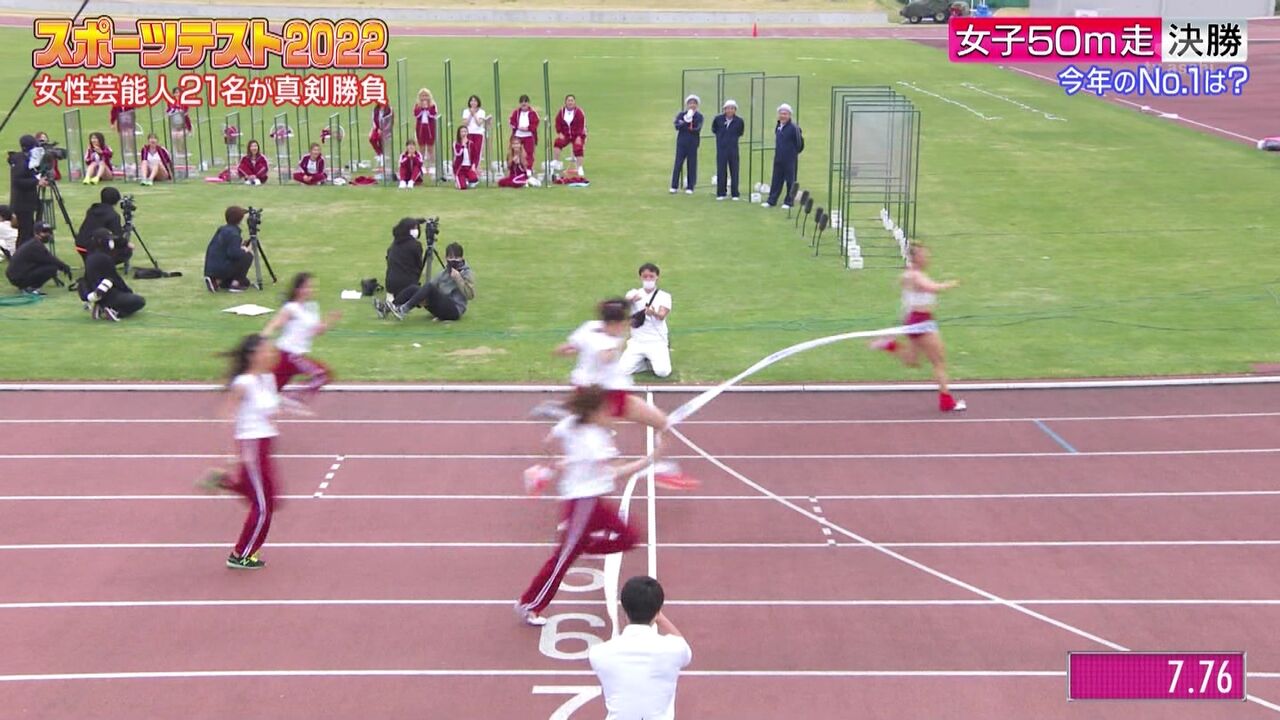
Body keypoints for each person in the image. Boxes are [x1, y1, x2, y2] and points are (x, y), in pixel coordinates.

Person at [517, 386, 649, 626]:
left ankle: (585, 546)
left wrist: (559, 462)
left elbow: (548, 441)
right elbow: (616, 471)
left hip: (594, 502)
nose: (611, 412)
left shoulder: (572, 424)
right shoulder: (594, 439)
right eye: (606, 409)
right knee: (562, 560)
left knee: (630, 537)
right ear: (593, 411)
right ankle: (529, 604)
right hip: (582, 504)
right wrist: (650, 460)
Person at [197, 334, 285, 570]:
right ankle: (241, 554)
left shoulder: (267, 379)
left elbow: (270, 409)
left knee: (269, 499)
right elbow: (226, 415)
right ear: (253, 355)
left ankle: (223, 481)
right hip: (251, 445)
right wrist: (229, 454)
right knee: (263, 506)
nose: (271, 354)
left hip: (265, 443)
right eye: (266, 350)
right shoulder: (244, 383)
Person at [870, 243, 966, 412]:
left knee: (912, 361)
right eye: (924, 255)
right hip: (922, 322)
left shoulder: (910, 274)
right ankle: (946, 402)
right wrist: (951, 284)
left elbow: (911, 294)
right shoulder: (915, 276)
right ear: (916, 258)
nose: (927, 258)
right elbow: (931, 288)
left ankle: (890, 345)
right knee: (939, 362)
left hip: (915, 320)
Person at [589, 576, 693, 720]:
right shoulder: (674, 649)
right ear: (657, 612)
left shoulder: (599, 653)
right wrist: (660, 617)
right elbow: (684, 647)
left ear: (625, 611)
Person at [261, 272, 338, 410]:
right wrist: (262, 338)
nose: (310, 290)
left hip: (292, 357)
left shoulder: (312, 308)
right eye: (307, 287)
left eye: (312, 287)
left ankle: (253, 405)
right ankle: (296, 398)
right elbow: (275, 324)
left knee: (269, 395)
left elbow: (317, 331)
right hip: (289, 354)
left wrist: (330, 320)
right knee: (322, 374)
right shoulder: (291, 308)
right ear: (298, 289)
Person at [376, 241, 475, 322]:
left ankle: (403, 310)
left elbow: (470, 295)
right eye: (450, 257)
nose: (453, 260)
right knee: (414, 288)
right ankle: (387, 308)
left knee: (429, 287)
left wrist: (458, 279)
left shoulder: (466, 272)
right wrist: (422, 298)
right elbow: (430, 287)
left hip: (454, 310)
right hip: (441, 307)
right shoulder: (444, 272)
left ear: (462, 258)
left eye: (456, 258)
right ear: (446, 258)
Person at [620, 263, 673, 379]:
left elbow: (662, 315)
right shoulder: (633, 293)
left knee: (663, 372)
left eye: (651, 276)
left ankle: (653, 361)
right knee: (621, 371)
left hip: (657, 342)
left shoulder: (664, 296)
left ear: (657, 277)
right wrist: (630, 301)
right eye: (645, 276)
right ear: (640, 277)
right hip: (637, 341)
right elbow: (622, 309)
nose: (648, 279)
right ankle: (644, 364)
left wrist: (653, 313)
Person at [82, 228, 145, 320]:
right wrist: (127, 291)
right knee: (139, 301)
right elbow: (115, 279)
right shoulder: (104, 258)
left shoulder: (90, 256)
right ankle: (115, 312)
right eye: (109, 240)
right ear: (101, 241)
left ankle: (100, 307)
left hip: (98, 293)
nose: (111, 242)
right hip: (109, 294)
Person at [5, 222, 70, 294]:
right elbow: (51, 260)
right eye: (44, 232)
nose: (48, 234)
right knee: (52, 268)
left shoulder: (33, 243)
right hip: (18, 277)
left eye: (49, 232)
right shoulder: (36, 246)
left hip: (16, 275)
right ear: (36, 233)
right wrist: (65, 267)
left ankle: (27, 286)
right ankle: (31, 288)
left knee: (50, 266)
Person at [77, 186, 133, 268]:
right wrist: (127, 243)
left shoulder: (92, 210)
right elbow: (117, 237)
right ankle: (102, 265)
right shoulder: (113, 215)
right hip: (93, 249)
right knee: (126, 250)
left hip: (81, 245)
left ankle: (93, 263)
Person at [203, 206, 254, 292]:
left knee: (246, 282)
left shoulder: (223, 230)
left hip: (211, 267)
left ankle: (222, 281)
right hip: (220, 268)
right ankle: (234, 284)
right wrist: (245, 250)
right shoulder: (234, 234)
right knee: (247, 256)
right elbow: (234, 254)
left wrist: (240, 247)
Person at [764, 103, 803, 209]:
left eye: (785, 114)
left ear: (789, 115)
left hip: (790, 159)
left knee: (791, 180)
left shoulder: (794, 128)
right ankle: (772, 200)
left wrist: (792, 154)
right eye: (781, 114)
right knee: (776, 180)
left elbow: (799, 144)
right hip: (778, 158)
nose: (783, 116)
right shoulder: (778, 126)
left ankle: (789, 202)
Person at [9, 135, 46, 246]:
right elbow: (18, 181)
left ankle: (26, 252)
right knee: (25, 233)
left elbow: (30, 173)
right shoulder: (21, 161)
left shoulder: (25, 159)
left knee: (28, 231)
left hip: (26, 201)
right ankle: (21, 253)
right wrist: (36, 182)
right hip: (22, 203)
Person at [380, 217, 425, 304]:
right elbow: (419, 265)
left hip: (390, 283)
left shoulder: (394, 245)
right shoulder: (415, 245)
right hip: (407, 284)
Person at [711, 99, 745, 201]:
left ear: (735, 110)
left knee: (734, 171)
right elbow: (714, 129)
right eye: (728, 108)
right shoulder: (718, 119)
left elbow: (740, 132)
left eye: (732, 108)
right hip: (721, 149)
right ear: (724, 109)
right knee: (721, 170)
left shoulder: (739, 121)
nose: (730, 110)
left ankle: (735, 193)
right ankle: (721, 192)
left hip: (733, 149)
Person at [670, 95, 702, 195]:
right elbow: (677, 126)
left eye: (694, 103)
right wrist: (684, 121)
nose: (692, 105)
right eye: (690, 103)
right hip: (682, 143)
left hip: (693, 143)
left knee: (692, 164)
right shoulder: (681, 115)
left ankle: (690, 186)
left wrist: (688, 125)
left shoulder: (699, 116)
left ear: (697, 105)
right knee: (678, 163)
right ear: (687, 105)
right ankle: (674, 186)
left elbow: (697, 128)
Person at [553, 94, 587, 174]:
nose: (570, 102)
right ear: (565, 102)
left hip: (577, 135)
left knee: (578, 147)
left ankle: (580, 167)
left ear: (574, 102)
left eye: (572, 101)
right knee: (558, 142)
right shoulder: (561, 112)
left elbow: (581, 125)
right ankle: (556, 162)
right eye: (568, 100)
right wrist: (559, 133)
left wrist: (579, 136)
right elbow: (557, 122)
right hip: (566, 135)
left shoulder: (579, 112)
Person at [461, 95, 490, 178]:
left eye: (475, 101)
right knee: (469, 151)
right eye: (472, 101)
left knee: (477, 151)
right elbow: (465, 123)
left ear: (478, 102)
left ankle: (475, 167)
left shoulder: (482, 112)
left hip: (478, 134)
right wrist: (470, 114)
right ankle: (469, 168)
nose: (473, 102)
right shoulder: (465, 111)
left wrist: (474, 114)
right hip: (469, 133)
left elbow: (479, 123)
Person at [413, 89, 439, 177]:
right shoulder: (417, 105)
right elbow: (416, 115)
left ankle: (433, 166)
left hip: (430, 128)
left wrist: (427, 108)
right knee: (421, 148)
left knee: (431, 148)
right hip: (420, 128)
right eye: (422, 96)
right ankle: (421, 166)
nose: (424, 98)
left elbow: (433, 115)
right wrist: (422, 108)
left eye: (426, 95)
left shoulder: (433, 105)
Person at [508, 94, 539, 168]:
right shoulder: (516, 112)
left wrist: (527, 128)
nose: (523, 103)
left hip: (528, 135)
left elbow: (535, 123)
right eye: (522, 102)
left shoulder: (533, 113)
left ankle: (529, 168)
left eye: (525, 101)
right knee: (515, 152)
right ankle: (516, 167)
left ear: (528, 103)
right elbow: (511, 122)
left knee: (529, 153)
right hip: (518, 135)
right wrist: (518, 127)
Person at [370, 100, 394, 166]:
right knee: (371, 138)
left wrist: (383, 130)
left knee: (381, 138)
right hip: (377, 129)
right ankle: (380, 154)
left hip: (386, 130)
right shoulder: (375, 109)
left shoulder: (389, 110)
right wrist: (376, 129)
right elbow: (373, 120)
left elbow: (390, 122)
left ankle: (383, 156)